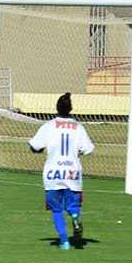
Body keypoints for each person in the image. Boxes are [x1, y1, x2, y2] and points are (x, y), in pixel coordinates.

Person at [28, 93, 95, 250]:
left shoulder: (49, 126)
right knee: (73, 206)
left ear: (56, 108)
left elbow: (34, 146)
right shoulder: (78, 127)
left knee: (56, 210)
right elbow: (89, 149)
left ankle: (64, 242)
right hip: (72, 171)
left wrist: (38, 150)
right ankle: (75, 216)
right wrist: (77, 152)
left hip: (53, 172)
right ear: (71, 109)